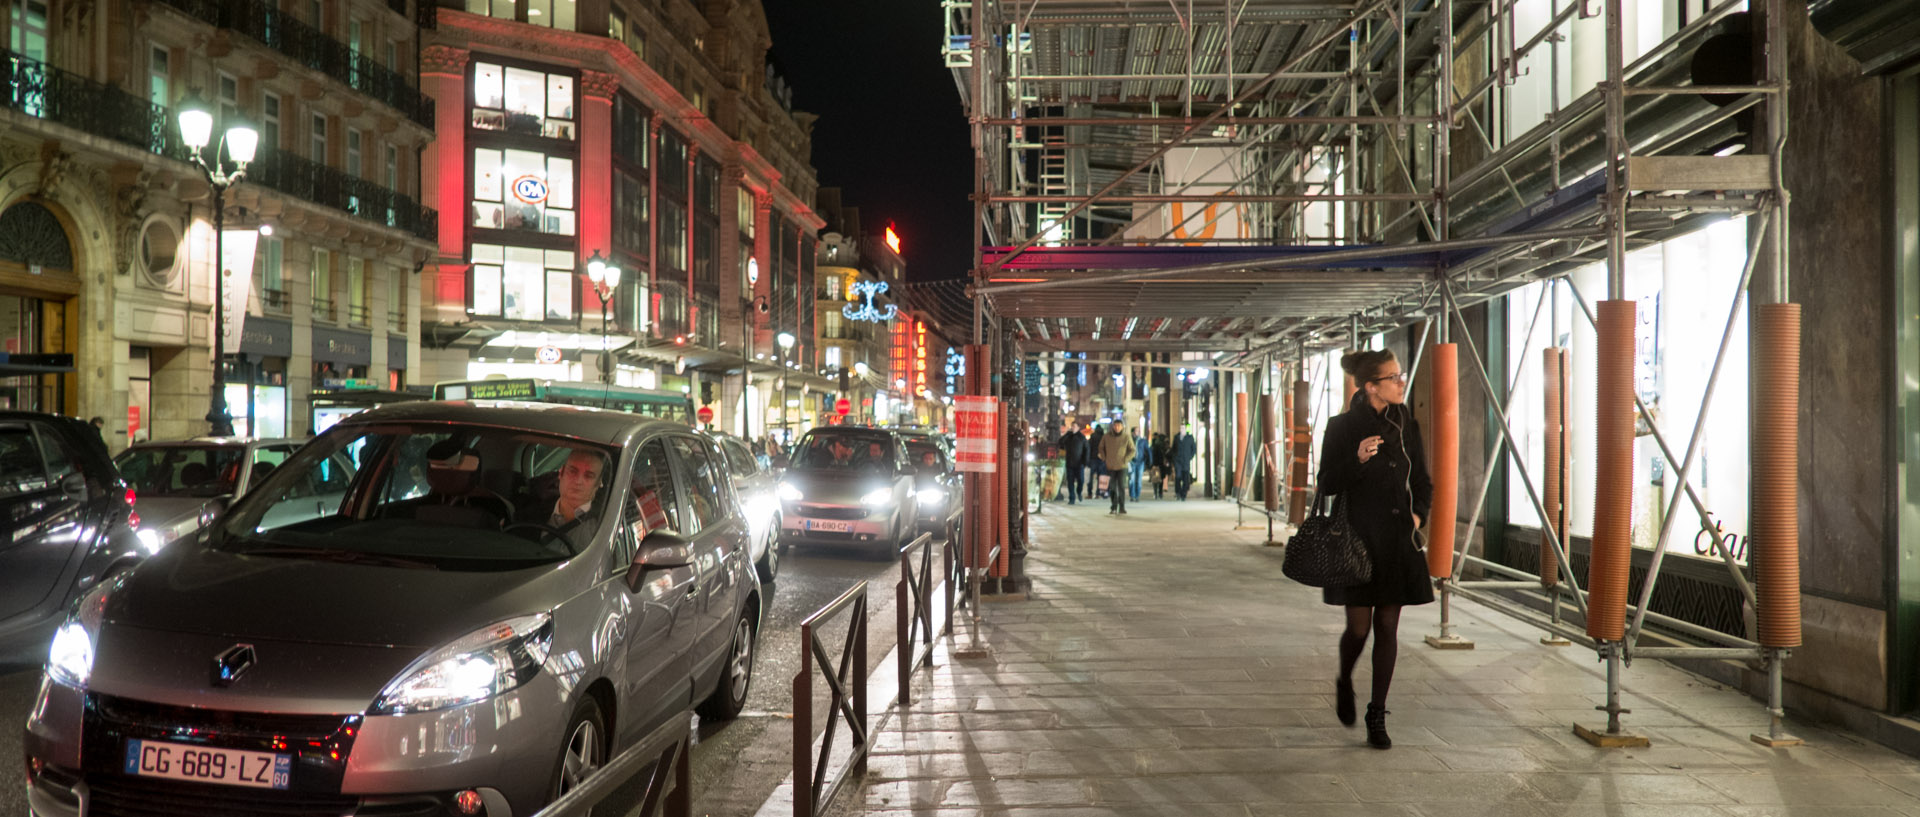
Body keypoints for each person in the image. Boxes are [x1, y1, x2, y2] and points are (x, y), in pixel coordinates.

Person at [1318, 349, 1433, 750]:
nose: (1402, 382)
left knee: (1387, 626)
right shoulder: (1342, 427)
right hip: (1356, 541)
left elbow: (1423, 481)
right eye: (1394, 377)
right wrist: (1357, 459)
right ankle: (1344, 679)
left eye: (1400, 375)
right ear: (1371, 387)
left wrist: (1419, 516)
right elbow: (1327, 484)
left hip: (1397, 543)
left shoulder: (1408, 427)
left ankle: (1377, 714)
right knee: (1359, 628)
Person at [1098, 419, 1134, 515]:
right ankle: (1113, 506)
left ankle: (1122, 507)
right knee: (1112, 487)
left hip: (1122, 466)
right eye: (1115, 426)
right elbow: (1101, 447)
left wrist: (1126, 459)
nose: (1117, 427)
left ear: (1122, 427)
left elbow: (1132, 450)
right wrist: (1104, 457)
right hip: (1110, 466)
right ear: (1113, 426)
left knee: (1121, 487)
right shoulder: (1106, 437)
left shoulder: (1126, 437)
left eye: (1119, 426)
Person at [1058, 423, 1087, 504]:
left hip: (1079, 463)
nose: (1073, 428)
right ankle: (1072, 498)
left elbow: (1086, 449)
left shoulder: (1082, 437)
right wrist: (1067, 433)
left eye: (1075, 426)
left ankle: (1079, 492)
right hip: (1070, 463)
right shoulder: (1068, 437)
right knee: (1070, 481)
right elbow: (1060, 442)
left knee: (1080, 480)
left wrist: (1085, 462)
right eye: (1072, 426)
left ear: (1078, 427)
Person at [1172, 425, 1197, 500]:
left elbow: (1194, 449)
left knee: (1186, 479)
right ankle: (1178, 492)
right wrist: (1174, 458)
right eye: (1180, 428)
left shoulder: (1190, 438)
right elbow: (1173, 448)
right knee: (1178, 477)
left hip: (1186, 461)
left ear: (1185, 429)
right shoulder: (1176, 438)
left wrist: (1190, 457)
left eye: (1183, 428)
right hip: (1178, 461)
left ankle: (1184, 493)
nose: (1181, 429)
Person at [1088, 424, 1108, 497]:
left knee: (1091, 477)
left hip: (1093, 458)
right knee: (1101, 476)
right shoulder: (1104, 437)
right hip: (1102, 459)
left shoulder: (1093, 436)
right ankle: (1098, 493)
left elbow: (1089, 447)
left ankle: (1090, 493)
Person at [1127, 425, 1146, 502]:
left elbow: (1147, 450)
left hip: (1140, 462)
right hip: (1131, 462)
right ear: (1132, 432)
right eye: (1136, 431)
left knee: (1138, 480)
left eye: (1138, 431)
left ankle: (1137, 495)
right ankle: (1132, 495)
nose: (1138, 432)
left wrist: (1149, 461)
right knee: (1131, 479)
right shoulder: (1128, 441)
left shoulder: (1142, 441)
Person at [1150, 431, 1171, 499]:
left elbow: (1153, 455)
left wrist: (1152, 464)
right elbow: (1168, 455)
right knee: (1161, 479)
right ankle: (1160, 493)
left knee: (1156, 479)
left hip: (1156, 465)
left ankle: (1155, 493)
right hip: (1162, 465)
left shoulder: (1155, 445)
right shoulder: (1165, 446)